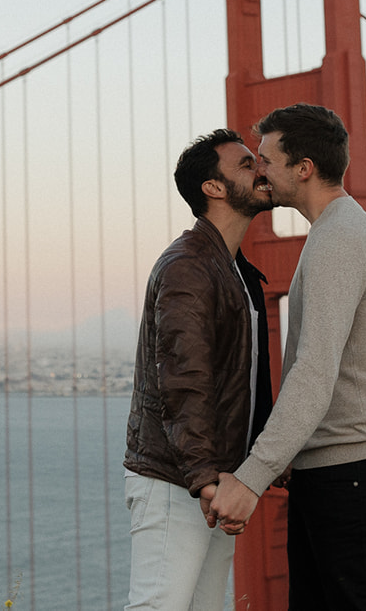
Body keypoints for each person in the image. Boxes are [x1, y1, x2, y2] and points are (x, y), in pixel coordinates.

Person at [206, 104, 366, 611]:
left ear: (303, 168)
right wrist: (293, 453)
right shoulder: (335, 232)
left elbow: (314, 373)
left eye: (265, 159)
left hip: (355, 478)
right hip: (337, 472)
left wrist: (251, 477)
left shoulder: (338, 241)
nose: (258, 170)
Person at [122, 129, 274, 611]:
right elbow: (183, 383)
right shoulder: (189, 266)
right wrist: (206, 478)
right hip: (179, 478)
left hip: (211, 477)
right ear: (213, 187)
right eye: (247, 164)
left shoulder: (235, 269)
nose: (262, 169)